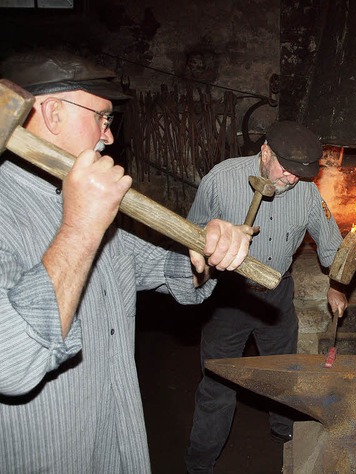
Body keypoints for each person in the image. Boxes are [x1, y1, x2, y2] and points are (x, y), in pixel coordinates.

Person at [0, 49, 253, 474]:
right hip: (47, 456)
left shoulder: (88, 203)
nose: (109, 136)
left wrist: (207, 247)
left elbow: (168, 272)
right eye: (101, 117)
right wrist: (81, 226)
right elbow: (14, 363)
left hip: (116, 443)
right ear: (52, 112)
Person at [185, 120, 348, 473]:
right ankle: (199, 464)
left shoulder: (304, 190)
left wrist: (337, 285)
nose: (291, 179)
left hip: (277, 296)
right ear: (265, 152)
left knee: (283, 374)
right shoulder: (222, 179)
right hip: (229, 298)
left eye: (299, 173)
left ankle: (286, 435)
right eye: (285, 169)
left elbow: (331, 244)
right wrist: (201, 270)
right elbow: (193, 233)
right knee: (219, 383)